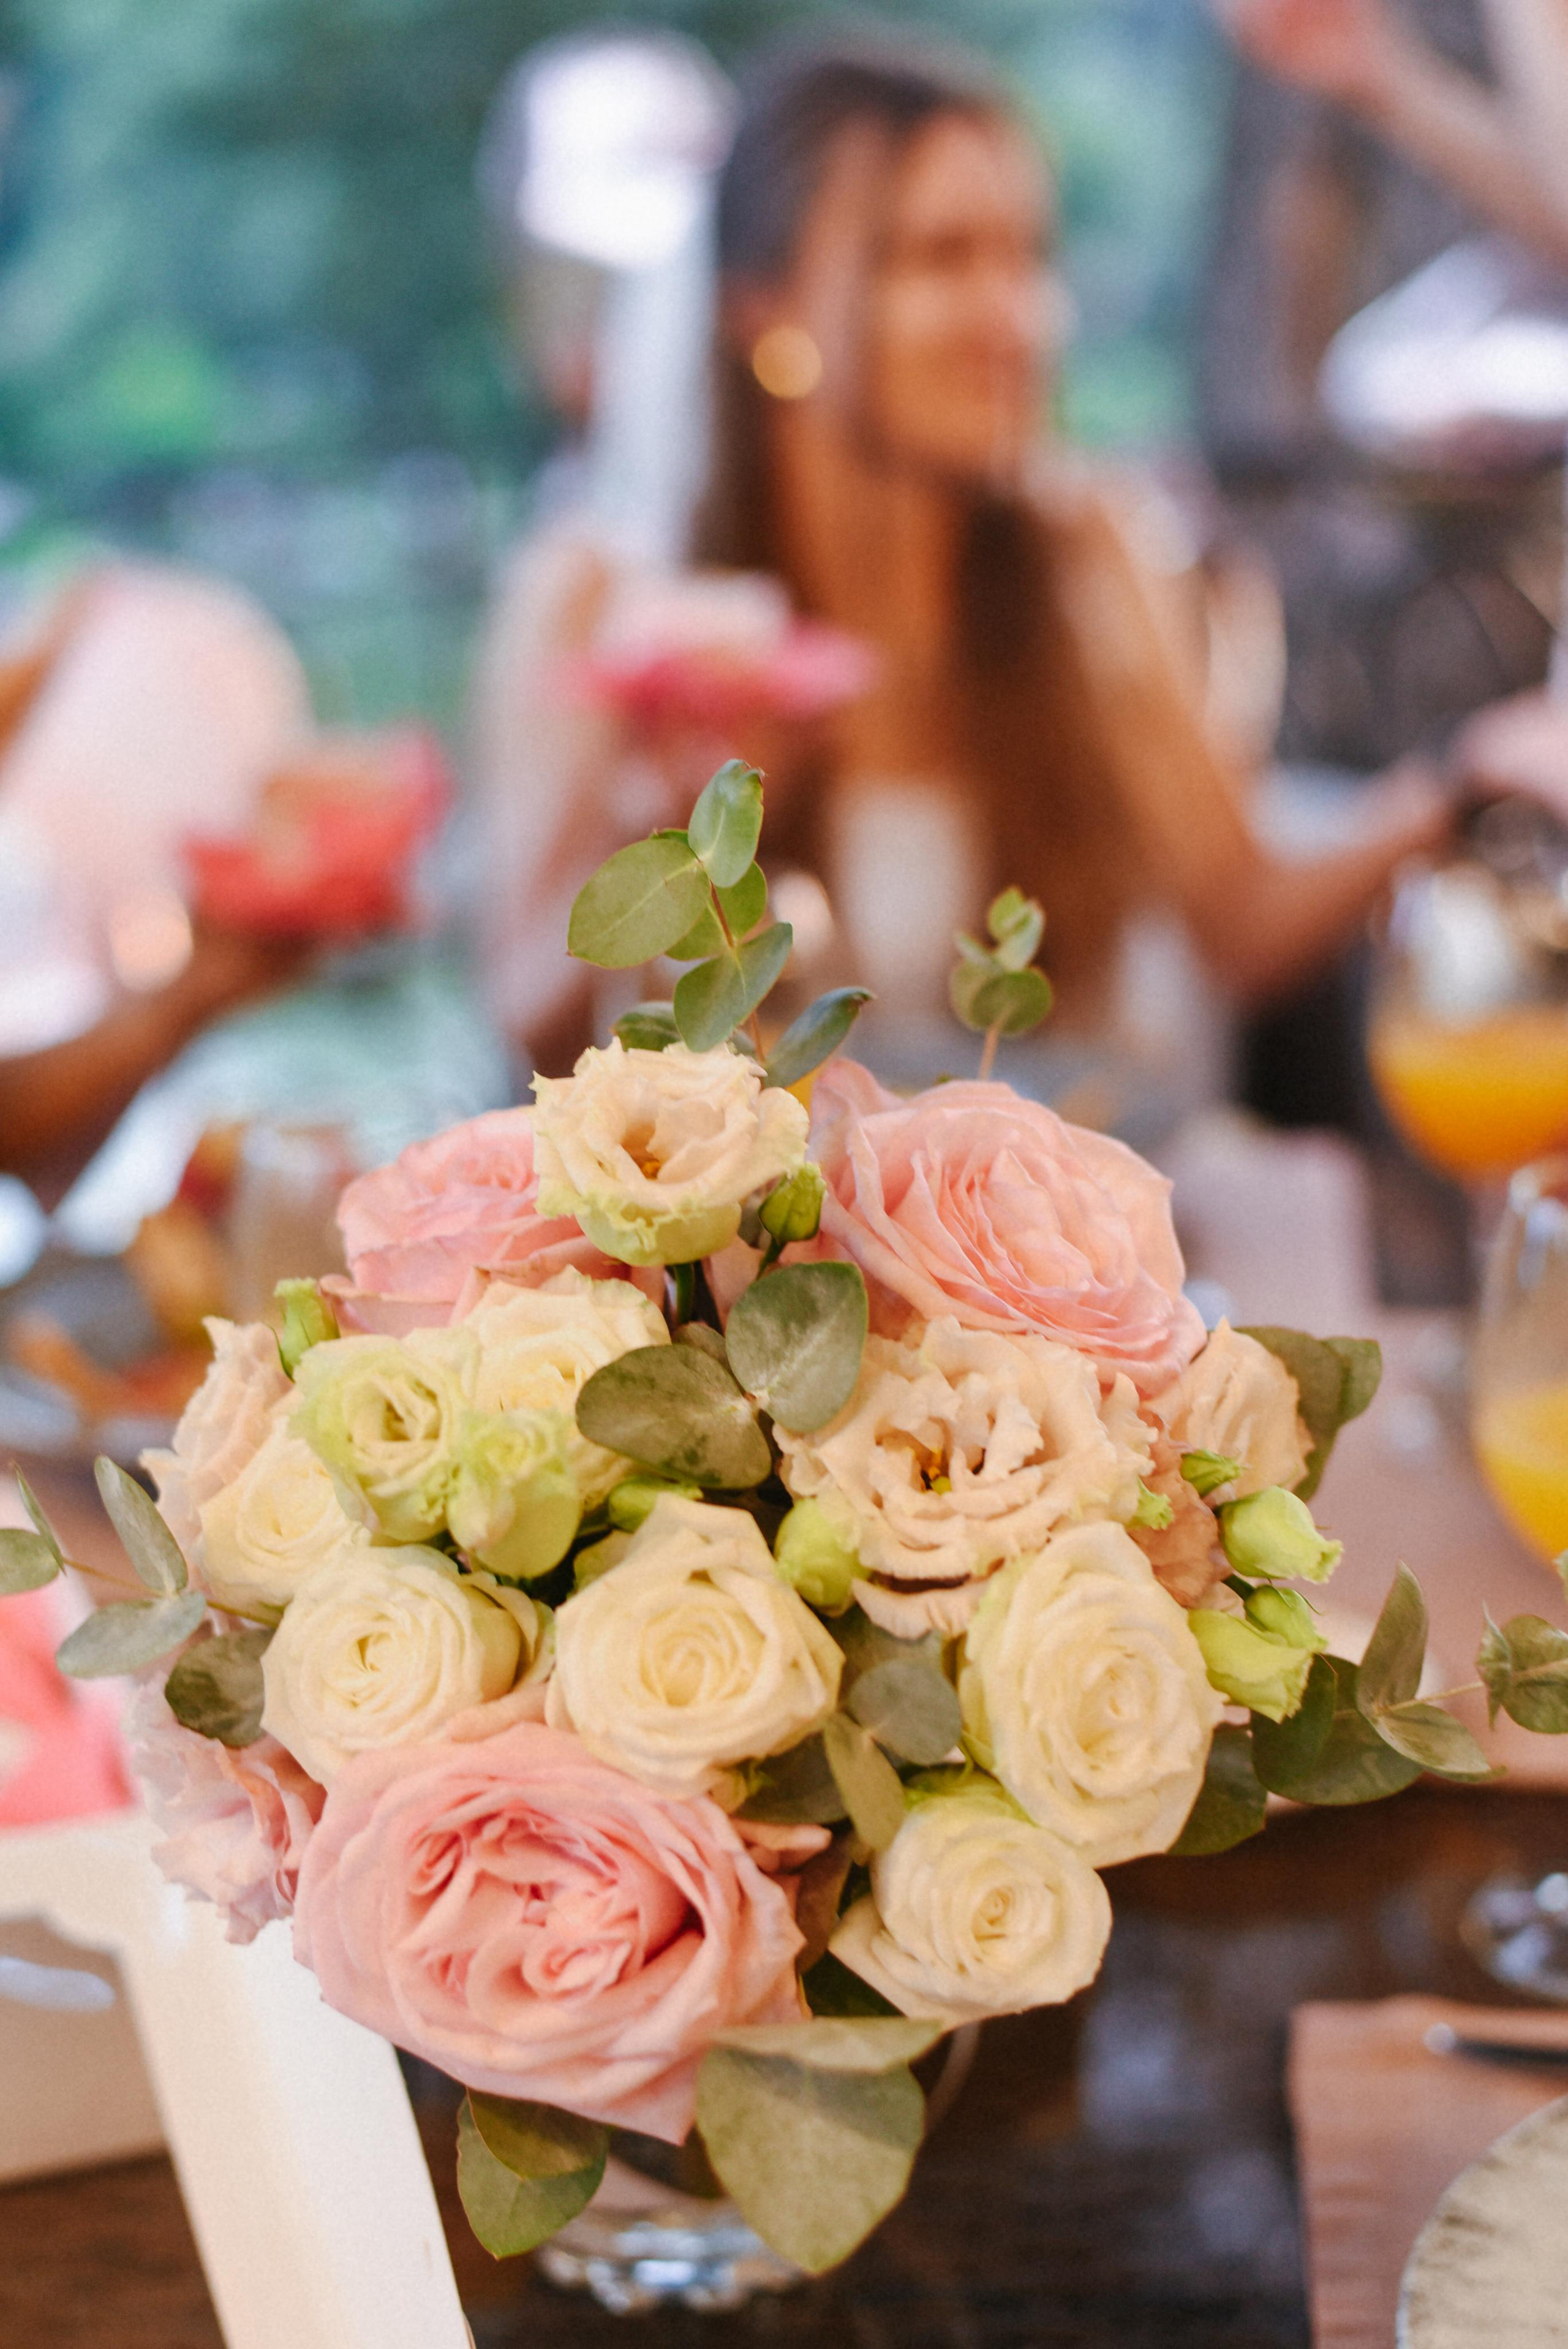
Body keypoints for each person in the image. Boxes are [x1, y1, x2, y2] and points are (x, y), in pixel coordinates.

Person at [475, 28, 1452, 1080]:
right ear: (770, 309)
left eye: (1025, 256)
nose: (1017, 316)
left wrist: (1462, 784)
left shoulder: (1091, 552)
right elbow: (529, 1028)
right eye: (941, 258)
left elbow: (1240, 923)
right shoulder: (598, 601)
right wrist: (671, 813)